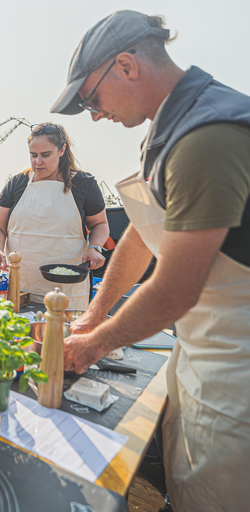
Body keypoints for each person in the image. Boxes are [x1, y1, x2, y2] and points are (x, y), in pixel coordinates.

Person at [52, 11, 250, 512]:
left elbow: (176, 288)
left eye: (92, 99)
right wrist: (94, 314)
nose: (94, 115)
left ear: (126, 65)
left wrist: (94, 344)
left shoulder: (206, 136)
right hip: (202, 351)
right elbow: (142, 233)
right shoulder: (168, 130)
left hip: (238, 372)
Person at [0, 123, 109, 309]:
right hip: (19, 288)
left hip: (67, 292)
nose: (38, 162)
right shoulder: (17, 183)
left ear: (62, 150)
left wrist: (94, 247)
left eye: (45, 155)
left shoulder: (84, 184)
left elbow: (100, 224)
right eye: (33, 155)